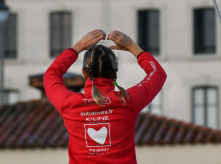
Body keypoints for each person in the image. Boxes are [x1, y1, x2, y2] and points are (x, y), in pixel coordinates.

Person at [44, 29, 167, 164]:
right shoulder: (128, 100)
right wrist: (132, 47)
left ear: (84, 73)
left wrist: (78, 47)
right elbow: (157, 74)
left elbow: (51, 75)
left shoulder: (68, 103)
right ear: (115, 72)